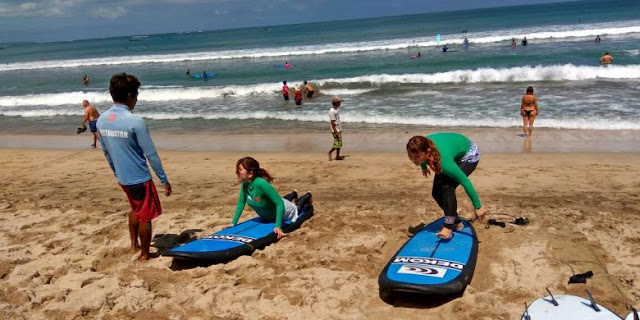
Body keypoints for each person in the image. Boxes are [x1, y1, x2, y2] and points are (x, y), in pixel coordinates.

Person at [96, 73, 172, 261]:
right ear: (130, 95)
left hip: (122, 177)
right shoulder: (135, 121)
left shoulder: (102, 120)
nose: (137, 99)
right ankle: (145, 255)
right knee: (145, 216)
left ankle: (134, 245)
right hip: (139, 177)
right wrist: (163, 179)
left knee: (135, 209)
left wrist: (116, 172)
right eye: (136, 94)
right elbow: (151, 154)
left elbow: (106, 152)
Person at [406, 133, 486, 240]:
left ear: (428, 152)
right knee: (436, 192)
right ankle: (456, 221)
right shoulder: (422, 146)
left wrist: (478, 206)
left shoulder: (444, 162)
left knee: (448, 187)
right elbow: (419, 154)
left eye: (416, 157)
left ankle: (449, 226)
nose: (413, 160)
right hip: (451, 151)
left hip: (469, 155)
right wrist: (423, 166)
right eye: (410, 156)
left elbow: (465, 181)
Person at [232, 157, 312, 239]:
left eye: (240, 170)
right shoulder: (245, 184)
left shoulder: (261, 183)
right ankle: (294, 193)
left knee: (296, 207)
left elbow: (279, 203)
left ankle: (308, 195)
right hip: (272, 210)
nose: (236, 173)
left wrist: (278, 226)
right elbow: (241, 203)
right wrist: (233, 223)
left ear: (250, 173)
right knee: (281, 199)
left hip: (285, 211)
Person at [328, 96, 344, 161]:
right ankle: (330, 152)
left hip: (338, 128)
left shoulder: (336, 110)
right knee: (337, 144)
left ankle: (337, 156)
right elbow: (332, 122)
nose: (340, 103)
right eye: (339, 102)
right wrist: (335, 131)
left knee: (339, 143)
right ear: (336, 103)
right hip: (335, 130)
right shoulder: (332, 111)